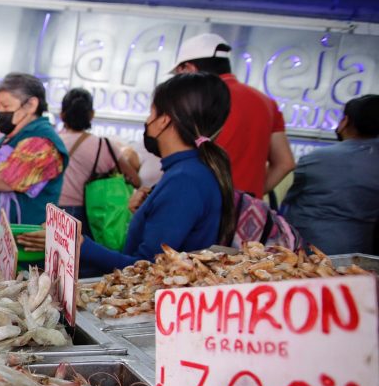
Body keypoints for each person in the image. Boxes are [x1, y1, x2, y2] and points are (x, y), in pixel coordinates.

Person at [19, 73, 235, 275]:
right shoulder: (189, 172)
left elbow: (147, 269)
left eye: (151, 112)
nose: (147, 121)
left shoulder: (185, 180)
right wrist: (146, 211)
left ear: (164, 120)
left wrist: (77, 243)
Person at [172, 33, 295, 197]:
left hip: (198, 202)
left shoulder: (194, 99)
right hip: (244, 208)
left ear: (189, 68)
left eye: (178, 74)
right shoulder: (266, 102)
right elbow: (285, 163)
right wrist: (245, 198)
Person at [0, 72, 68, 226]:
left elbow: (8, 178)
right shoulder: (13, 136)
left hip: (14, 237)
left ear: (31, 105)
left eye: (6, 106)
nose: (1, 112)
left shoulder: (43, 142)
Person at [283, 94, 379, 254]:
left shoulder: (317, 158)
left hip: (309, 247)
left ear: (345, 121)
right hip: (360, 248)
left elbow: (288, 195)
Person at [56, 87, 141, 226]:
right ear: (92, 115)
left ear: (62, 115)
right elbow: (135, 180)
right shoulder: (103, 146)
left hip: (51, 210)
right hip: (89, 213)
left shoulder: (52, 142)